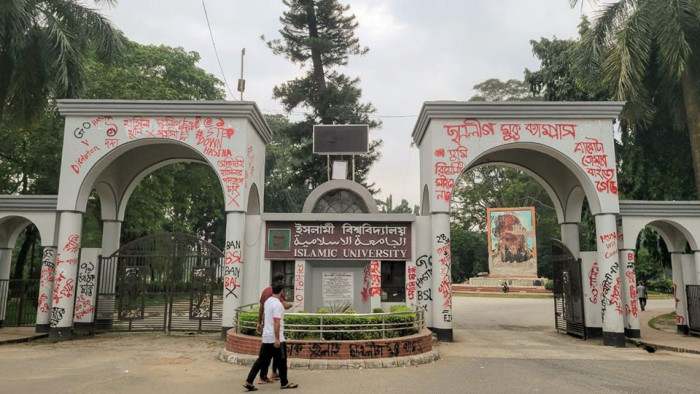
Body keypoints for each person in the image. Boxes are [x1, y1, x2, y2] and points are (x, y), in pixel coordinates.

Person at [243, 283, 298, 391]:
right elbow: (276, 321)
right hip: (275, 338)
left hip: (266, 337)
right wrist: (277, 338)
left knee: (260, 360)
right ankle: (284, 383)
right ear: (282, 291)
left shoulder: (268, 301)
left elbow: (264, 314)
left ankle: (249, 381)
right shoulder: (278, 305)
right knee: (282, 361)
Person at [256, 274, 292, 383]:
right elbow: (284, 306)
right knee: (278, 355)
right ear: (280, 282)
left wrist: (259, 322)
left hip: (267, 329)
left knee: (265, 356)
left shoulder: (265, 291)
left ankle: (263, 376)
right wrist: (290, 304)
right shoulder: (277, 292)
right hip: (274, 331)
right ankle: (278, 376)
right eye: (283, 281)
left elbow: (261, 307)